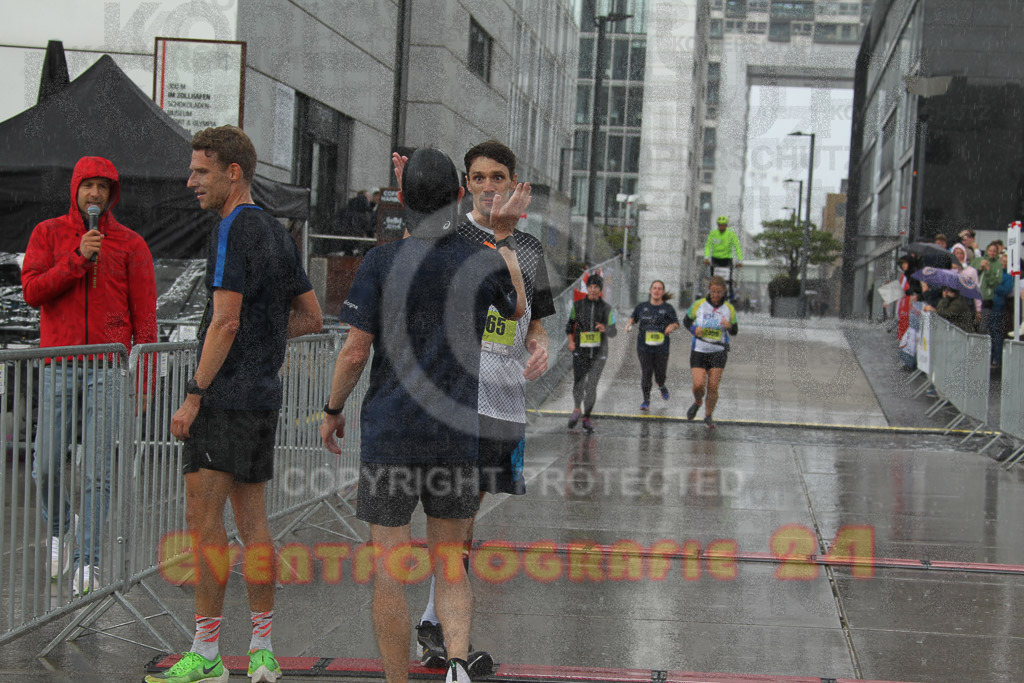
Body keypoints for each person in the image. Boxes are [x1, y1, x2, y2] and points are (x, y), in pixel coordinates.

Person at [320, 147, 528, 683]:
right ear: (460, 193)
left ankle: (398, 679)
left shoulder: (382, 263)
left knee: (391, 569)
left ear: (403, 198)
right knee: (450, 562)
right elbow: (518, 310)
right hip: (456, 434)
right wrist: (502, 239)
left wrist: (332, 408)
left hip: (392, 433)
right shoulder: (479, 259)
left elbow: (354, 352)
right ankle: (456, 665)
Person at [154, 126, 323, 683]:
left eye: (201, 171)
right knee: (254, 526)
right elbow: (311, 317)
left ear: (233, 173)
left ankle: (206, 655)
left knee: (204, 527)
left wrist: (193, 394)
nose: (191, 181)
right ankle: (261, 652)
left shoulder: (231, 226)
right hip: (260, 398)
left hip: (223, 397)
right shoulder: (277, 231)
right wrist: (263, 346)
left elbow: (224, 319)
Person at [394, 141, 553, 672]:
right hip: (455, 398)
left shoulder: (529, 249)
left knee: (468, 515)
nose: (489, 186)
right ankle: (435, 625)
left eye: (498, 177)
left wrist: (540, 342)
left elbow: (531, 319)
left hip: (503, 396)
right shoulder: (453, 238)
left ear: (514, 183)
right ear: (465, 185)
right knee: (449, 517)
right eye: (479, 177)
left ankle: (437, 624)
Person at [22, 156, 157, 596]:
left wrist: (144, 381)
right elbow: (32, 291)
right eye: (88, 186)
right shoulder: (48, 233)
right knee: (45, 466)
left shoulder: (131, 244)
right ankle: (63, 527)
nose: (95, 194)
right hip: (58, 366)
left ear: (112, 193)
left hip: (108, 370)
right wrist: (76, 260)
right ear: (74, 189)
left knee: (99, 472)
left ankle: (89, 560)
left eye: (103, 186)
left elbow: (146, 318)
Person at [682, 276, 738, 429]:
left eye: (719, 292)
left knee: (713, 387)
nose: (715, 295)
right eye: (713, 292)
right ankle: (698, 401)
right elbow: (686, 321)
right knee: (698, 385)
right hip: (699, 350)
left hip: (718, 351)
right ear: (709, 290)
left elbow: (735, 331)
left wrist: (729, 326)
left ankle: (708, 415)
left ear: (724, 292)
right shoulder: (699, 305)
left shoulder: (729, 308)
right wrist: (694, 329)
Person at [566, 273, 617, 432]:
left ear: (601, 290)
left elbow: (613, 331)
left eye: (596, 287)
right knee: (579, 382)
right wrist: (571, 342)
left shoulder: (607, 309)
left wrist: (605, 328)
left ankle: (587, 417)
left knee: (592, 385)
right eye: (591, 287)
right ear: (587, 288)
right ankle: (576, 409)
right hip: (580, 351)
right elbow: (570, 324)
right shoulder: (578, 305)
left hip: (599, 353)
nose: (593, 290)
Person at [625, 280, 680, 410]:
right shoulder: (642, 306)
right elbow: (633, 318)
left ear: (662, 292)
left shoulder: (668, 308)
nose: (657, 291)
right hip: (644, 347)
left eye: (660, 289)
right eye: (654, 288)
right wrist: (629, 324)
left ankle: (661, 385)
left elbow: (676, 323)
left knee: (660, 375)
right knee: (646, 372)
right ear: (650, 291)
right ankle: (646, 400)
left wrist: (671, 326)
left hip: (662, 348)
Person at [703, 215, 743, 300]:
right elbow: (708, 246)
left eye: (724, 225)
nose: (722, 227)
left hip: (727, 259)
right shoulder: (713, 233)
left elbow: (737, 247)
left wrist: (740, 260)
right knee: (713, 278)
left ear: (726, 225)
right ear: (718, 225)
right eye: (720, 225)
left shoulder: (731, 234)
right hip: (715, 259)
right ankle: (710, 293)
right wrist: (706, 258)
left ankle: (731, 294)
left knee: (728, 278)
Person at [990, 250, 1013, 368]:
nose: (1004, 263)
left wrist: (994, 283)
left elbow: (1006, 290)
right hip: (988, 306)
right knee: (987, 333)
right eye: (1002, 261)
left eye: (1006, 262)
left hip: (999, 307)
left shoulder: (1009, 276)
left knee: (996, 333)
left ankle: (996, 359)